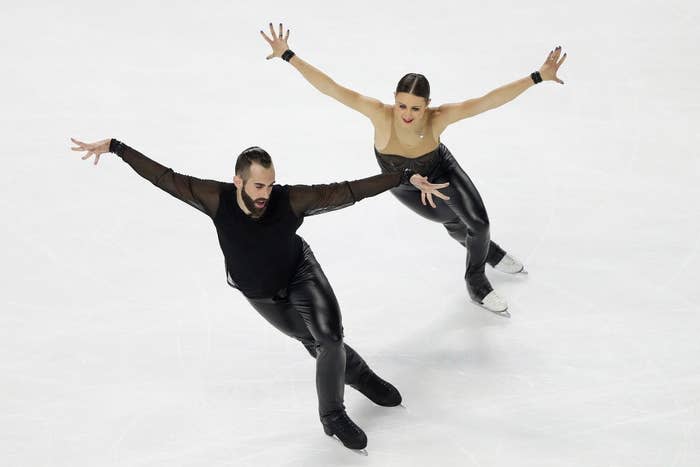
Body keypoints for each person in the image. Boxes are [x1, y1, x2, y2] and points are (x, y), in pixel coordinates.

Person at [69, 136, 449, 451]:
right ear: (238, 181)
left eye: (269, 184)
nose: (265, 193)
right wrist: (117, 148)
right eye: (257, 185)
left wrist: (403, 176)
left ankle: (333, 414)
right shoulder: (214, 198)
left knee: (330, 339)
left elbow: (346, 191)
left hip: (301, 273)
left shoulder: (289, 200)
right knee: (314, 343)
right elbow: (164, 177)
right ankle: (360, 375)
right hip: (261, 295)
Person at [260, 23, 568, 314]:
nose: (407, 114)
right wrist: (288, 55)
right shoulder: (380, 115)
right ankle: (489, 252)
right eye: (402, 105)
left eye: (416, 108)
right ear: (394, 99)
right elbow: (332, 88)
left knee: (479, 224)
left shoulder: (438, 118)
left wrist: (538, 76)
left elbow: (487, 101)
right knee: (453, 222)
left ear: (427, 105)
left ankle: (475, 281)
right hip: (401, 181)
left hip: (440, 169)